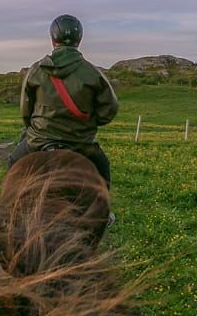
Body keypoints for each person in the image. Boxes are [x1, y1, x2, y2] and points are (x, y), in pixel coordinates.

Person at [8, 14, 119, 190]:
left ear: (53, 39)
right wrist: (90, 122)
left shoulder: (36, 70)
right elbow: (110, 109)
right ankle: (105, 215)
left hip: (39, 139)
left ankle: (7, 212)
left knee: (13, 162)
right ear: (79, 39)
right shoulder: (92, 72)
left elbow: (25, 110)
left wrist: (34, 127)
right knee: (103, 167)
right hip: (81, 143)